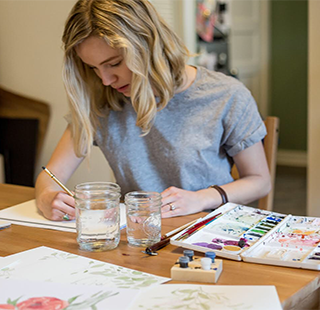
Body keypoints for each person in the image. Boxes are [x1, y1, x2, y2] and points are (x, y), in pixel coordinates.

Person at [35, 0, 271, 221]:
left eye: (114, 63)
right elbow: (50, 177)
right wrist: (47, 197)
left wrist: (201, 198)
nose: (106, 80)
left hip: (207, 233)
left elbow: (260, 181)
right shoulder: (102, 102)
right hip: (140, 237)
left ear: (148, 44)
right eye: (94, 68)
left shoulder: (226, 94)